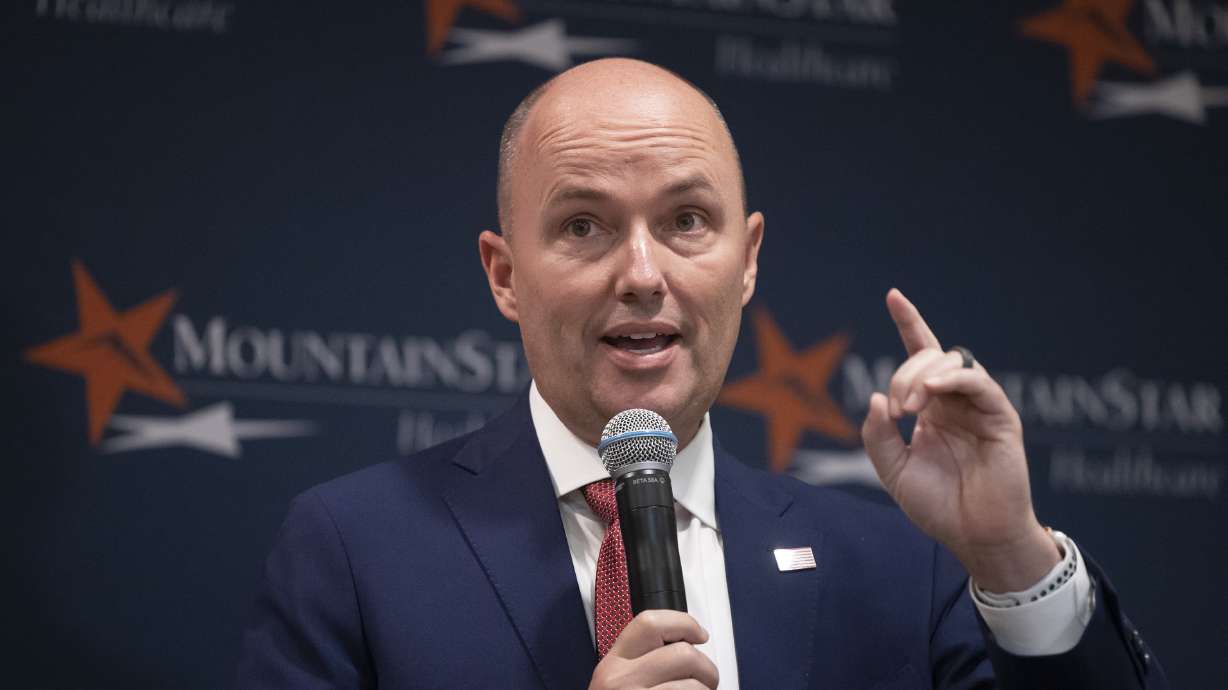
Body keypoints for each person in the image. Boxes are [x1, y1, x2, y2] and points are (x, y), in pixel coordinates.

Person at [235, 58, 1165, 689]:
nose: (643, 275)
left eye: (686, 221)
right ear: (505, 275)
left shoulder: (898, 573)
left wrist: (1009, 556)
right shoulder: (353, 550)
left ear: (747, 260)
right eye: (584, 226)